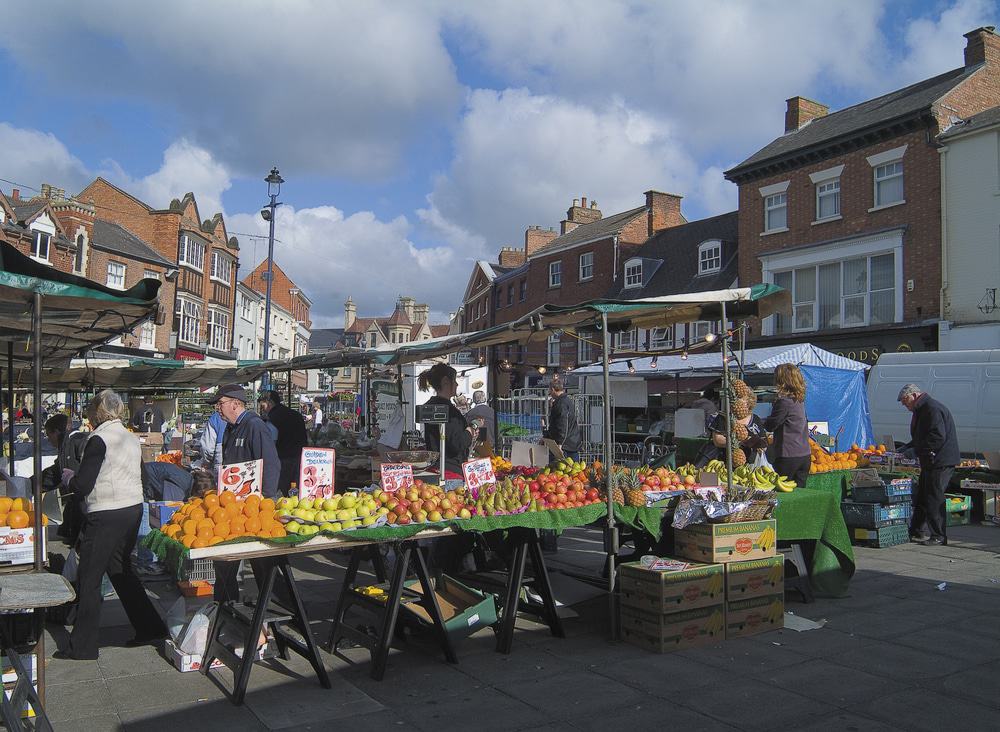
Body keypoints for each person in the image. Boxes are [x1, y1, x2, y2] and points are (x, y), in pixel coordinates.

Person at [55, 391, 168, 660]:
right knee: (120, 570)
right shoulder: (129, 437)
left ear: (97, 412)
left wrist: (69, 478)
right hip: (131, 508)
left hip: (106, 512)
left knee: (90, 577)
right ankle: (150, 627)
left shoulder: (98, 440)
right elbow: (141, 474)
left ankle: (82, 647)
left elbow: (83, 486)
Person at [208, 384, 280, 602]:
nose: (217, 410)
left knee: (264, 567)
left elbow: (271, 464)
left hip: (255, 510)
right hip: (233, 509)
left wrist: (264, 503)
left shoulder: (254, 426)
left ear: (235, 404)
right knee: (226, 564)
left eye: (220, 404)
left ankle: (275, 608)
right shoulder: (231, 428)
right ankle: (226, 608)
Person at [898, 384, 959, 546]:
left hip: (940, 461)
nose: (905, 405)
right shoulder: (923, 409)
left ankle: (939, 535)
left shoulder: (931, 409)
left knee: (934, 497)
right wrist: (908, 447)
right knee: (923, 496)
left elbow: (937, 437)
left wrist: (915, 450)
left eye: (905, 401)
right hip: (931, 460)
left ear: (914, 395)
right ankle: (917, 531)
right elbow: (922, 436)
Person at [419, 364, 482, 477]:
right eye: (454, 380)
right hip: (450, 471)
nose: (457, 384)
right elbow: (457, 443)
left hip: (434, 467)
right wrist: (471, 428)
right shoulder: (448, 411)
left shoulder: (429, 406)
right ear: (446, 381)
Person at [40, 413, 89, 544]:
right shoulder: (65, 446)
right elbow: (55, 473)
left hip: (87, 503)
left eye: (49, 435)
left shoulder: (78, 441)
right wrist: (31, 484)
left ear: (55, 432)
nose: (49, 440)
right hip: (78, 503)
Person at [765, 364, 811, 485]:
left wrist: (761, 421)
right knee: (799, 494)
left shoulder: (784, 402)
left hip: (788, 455)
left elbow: (771, 425)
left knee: (783, 492)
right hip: (804, 455)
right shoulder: (799, 400)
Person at [259, 390, 309, 496]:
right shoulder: (295, 414)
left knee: (282, 493)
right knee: (296, 492)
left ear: (269, 402)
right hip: (300, 458)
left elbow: (270, 443)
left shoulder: (272, 419)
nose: (261, 407)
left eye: (262, 403)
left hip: (282, 461)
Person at [695, 396, 767, 468]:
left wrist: (760, 446)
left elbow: (763, 440)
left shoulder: (755, 419)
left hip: (750, 463)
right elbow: (717, 440)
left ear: (749, 402)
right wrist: (742, 442)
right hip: (723, 461)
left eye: (740, 399)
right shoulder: (723, 417)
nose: (737, 402)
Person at [543, 380, 581, 461]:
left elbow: (563, 424)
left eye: (550, 390)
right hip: (571, 442)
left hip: (565, 445)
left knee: (560, 470)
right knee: (573, 471)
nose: (550, 392)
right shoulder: (566, 401)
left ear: (553, 389)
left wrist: (560, 443)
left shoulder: (561, 403)